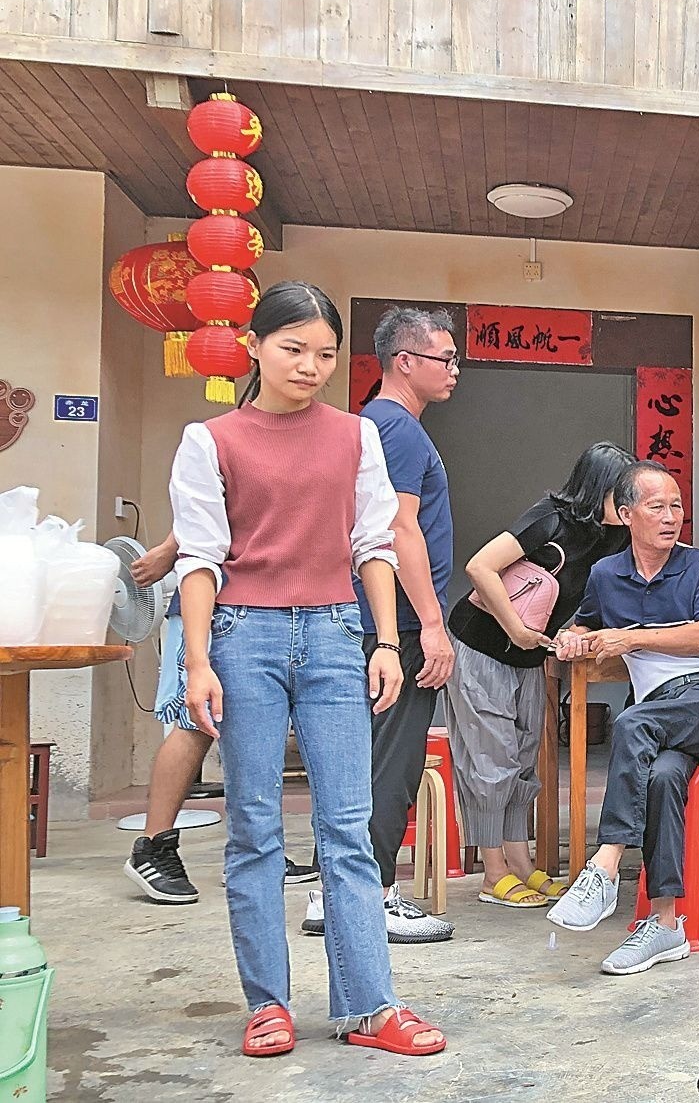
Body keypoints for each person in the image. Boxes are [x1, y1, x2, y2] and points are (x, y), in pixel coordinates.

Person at [172, 281, 443, 1057]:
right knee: (253, 826)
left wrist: (387, 641)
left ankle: (369, 1005)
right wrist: (197, 660)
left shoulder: (356, 436)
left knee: (347, 828)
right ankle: (268, 1004)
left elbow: (374, 543)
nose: (310, 366)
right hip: (240, 636)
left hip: (334, 633)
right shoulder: (210, 439)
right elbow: (198, 558)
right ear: (253, 346)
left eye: (325, 353)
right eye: (293, 349)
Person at [447, 445, 699, 908]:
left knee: (523, 758)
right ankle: (495, 872)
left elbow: (686, 557)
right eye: (645, 502)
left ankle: (545, 866)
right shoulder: (553, 521)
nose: (663, 516)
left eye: (671, 505)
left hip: (533, 654)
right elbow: (480, 566)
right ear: (610, 497)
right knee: (491, 760)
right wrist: (525, 630)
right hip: (486, 642)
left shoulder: (617, 537)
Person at [547, 462, 699, 976]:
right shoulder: (605, 575)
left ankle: (605, 865)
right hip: (664, 717)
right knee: (660, 776)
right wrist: (575, 637)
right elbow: (587, 625)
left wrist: (632, 637)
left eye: (677, 506)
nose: (671, 517)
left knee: (631, 723)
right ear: (625, 514)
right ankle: (665, 926)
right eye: (657, 506)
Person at [303, 307, 459, 944]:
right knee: (388, 763)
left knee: (363, 760)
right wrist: (430, 625)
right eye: (443, 359)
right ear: (404, 362)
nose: (454, 371)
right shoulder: (394, 427)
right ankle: (374, 894)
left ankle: (331, 893)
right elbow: (397, 530)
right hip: (386, 627)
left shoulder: (378, 424)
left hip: (374, 624)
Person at [123, 533, 317, 903]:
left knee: (251, 725)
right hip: (212, 600)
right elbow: (205, 501)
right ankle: (151, 845)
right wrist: (170, 548)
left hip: (259, 601)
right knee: (194, 723)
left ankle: (253, 850)